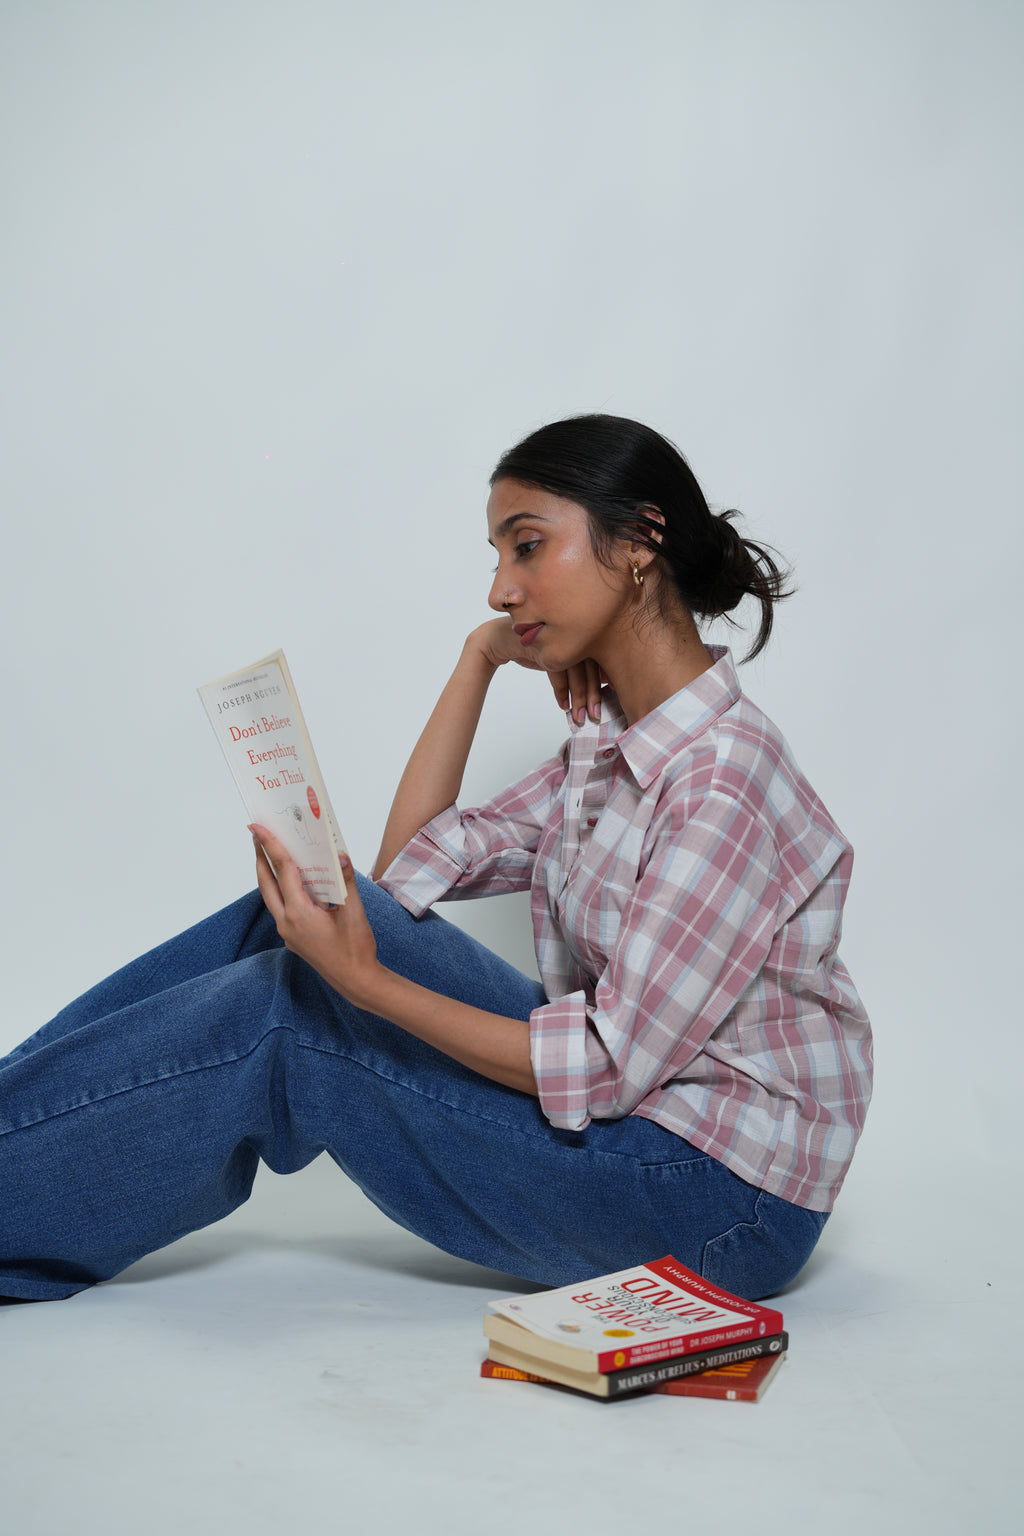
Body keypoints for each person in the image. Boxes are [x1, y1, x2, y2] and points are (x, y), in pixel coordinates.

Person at [0, 414, 871, 1305]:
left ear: (641, 539)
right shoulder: (613, 743)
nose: (501, 589)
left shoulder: (721, 784)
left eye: (527, 547)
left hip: (718, 1203)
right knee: (305, 908)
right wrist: (479, 662)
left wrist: (366, 984)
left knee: (292, 1018)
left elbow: (605, 1069)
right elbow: (404, 871)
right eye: (497, 557)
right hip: (643, 1115)